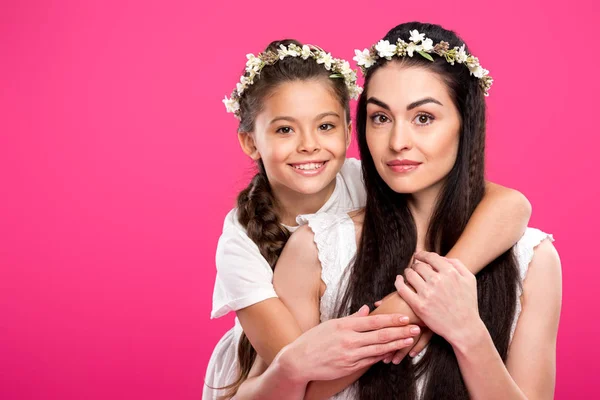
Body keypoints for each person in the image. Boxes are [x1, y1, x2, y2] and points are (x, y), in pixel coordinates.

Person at [205, 36, 534, 399]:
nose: (308, 145)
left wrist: (424, 295)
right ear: (251, 142)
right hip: (262, 374)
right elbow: (307, 375)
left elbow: (512, 204)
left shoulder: (368, 177)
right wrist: (410, 316)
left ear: (349, 131)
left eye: (325, 126)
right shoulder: (241, 242)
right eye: (284, 129)